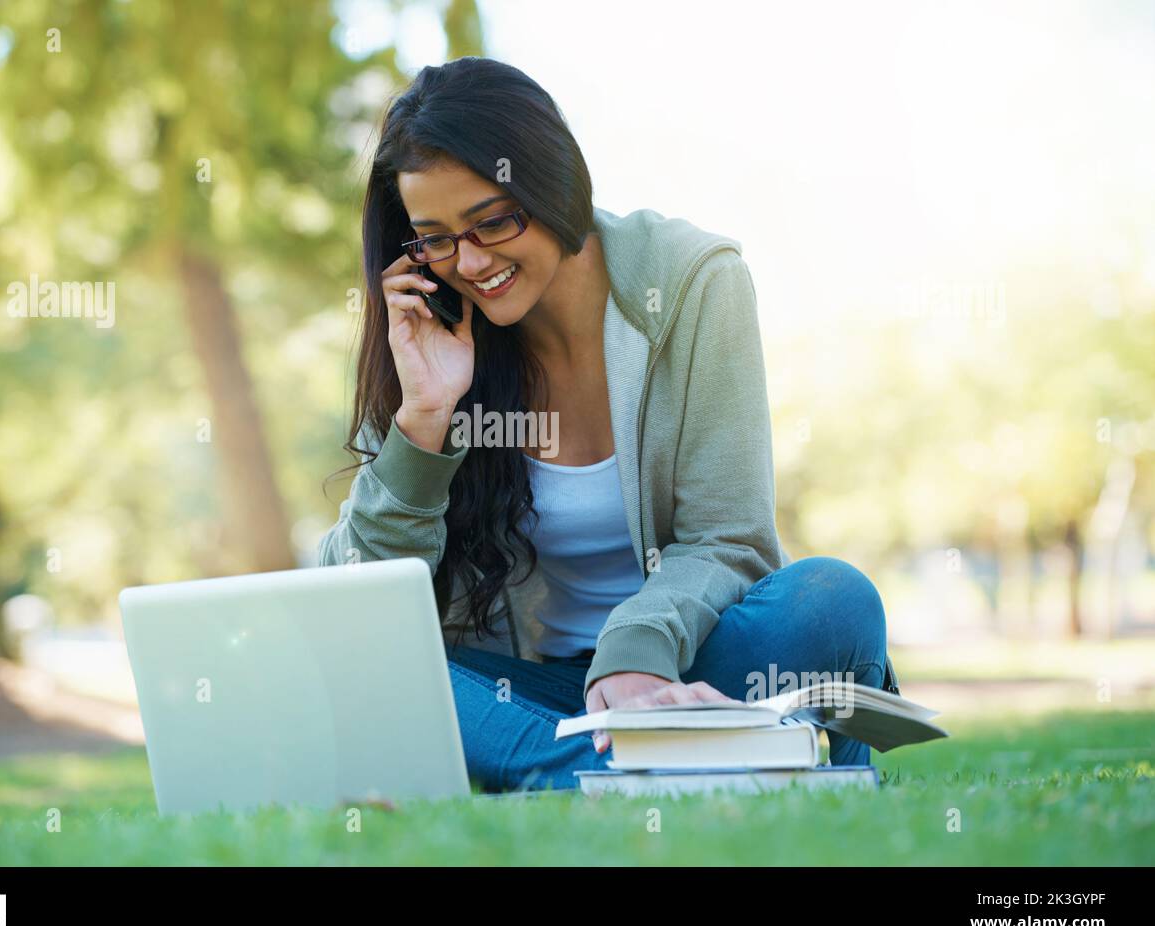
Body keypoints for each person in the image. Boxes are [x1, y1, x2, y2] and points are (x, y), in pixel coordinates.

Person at [318, 56, 896, 792]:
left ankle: (634, 767)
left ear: (554, 183)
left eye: (492, 221)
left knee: (831, 601)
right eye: (434, 238)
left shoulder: (692, 281)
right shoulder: (434, 344)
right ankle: (605, 775)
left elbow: (729, 538)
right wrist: (423, 423)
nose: (469, 261)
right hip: (536, 702)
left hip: (689, 672)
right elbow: (352, 600)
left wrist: (632, 653)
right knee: (361, 663)